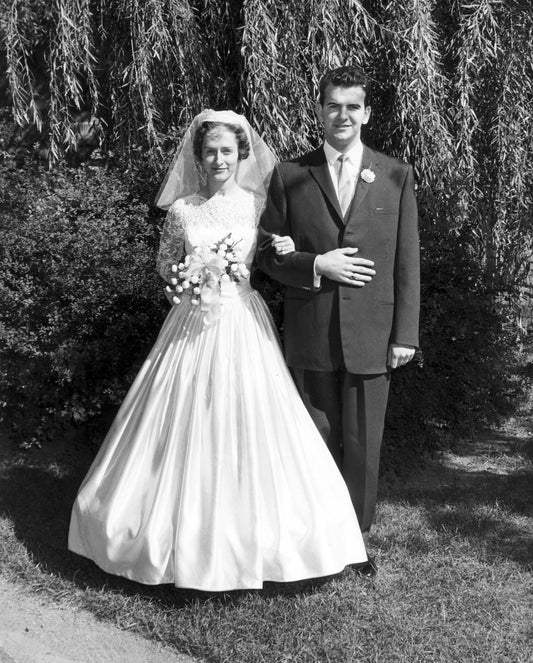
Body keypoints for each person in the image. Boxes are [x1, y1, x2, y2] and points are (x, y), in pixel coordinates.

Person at [68, 109, 368, 592]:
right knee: (181, 419)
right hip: (190, 326)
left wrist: (293, 255)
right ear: (199, 157)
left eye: (227, 150)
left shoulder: (257, 205)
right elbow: (166, 263)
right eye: (210, 151)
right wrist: (181, 285)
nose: (218, 158)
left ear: (241, 154)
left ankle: (260, 534)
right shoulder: (184, 209)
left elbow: (276, 254)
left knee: (251, 418)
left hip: (242, 323)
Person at [256, 67, 420, 577]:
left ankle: (355, 543)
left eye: (353, 106)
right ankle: (313, 540)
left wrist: (405, 335)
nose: (342, 115)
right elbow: (266, 253)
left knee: (363, 446)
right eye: (333, 105)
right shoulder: (290, 175)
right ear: (320, 111)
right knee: (314, 440)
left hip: (374, 334)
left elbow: (406, 261)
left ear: (366, 113)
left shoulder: (395, 174)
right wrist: (313, 264)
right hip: (312, 330)